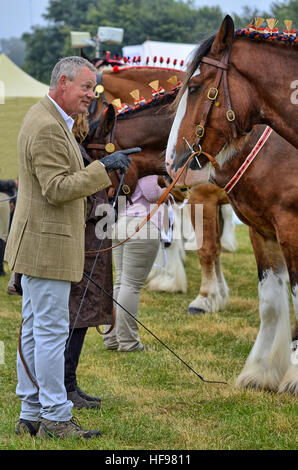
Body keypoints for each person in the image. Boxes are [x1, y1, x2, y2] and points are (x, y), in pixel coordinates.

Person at [4, 56, 140, 439]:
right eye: (85, 87)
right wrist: (102, 169)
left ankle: (31, 413)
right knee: (49, 333)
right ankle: (56, 418)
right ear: (62, 82)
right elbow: (57, 188)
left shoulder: (49, 117)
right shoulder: (46, 125)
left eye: (92, 88)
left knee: (34, 331)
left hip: (41, 244)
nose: (90, 96)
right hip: (46, 247)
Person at [64, 114, 114, 410]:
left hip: (94, 240)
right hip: (81, 242)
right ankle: (64, 385)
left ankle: (69, 383)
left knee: (81, 315)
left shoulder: (80, 146)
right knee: (74, 314)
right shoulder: (71, 147)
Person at [103, 175, 169, 352]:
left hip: (122, 223)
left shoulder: (125, 170)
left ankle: (112, 339)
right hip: (142, 226)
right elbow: (151, 193)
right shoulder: (147, 169)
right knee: (130, 285)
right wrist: (169, 189)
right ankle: (128, 342)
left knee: (121, 283)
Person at [0, 180, 17, 276]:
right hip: (2, 198)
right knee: (2, 235)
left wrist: (11, 201)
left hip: (5, 199)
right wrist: (12, 183)